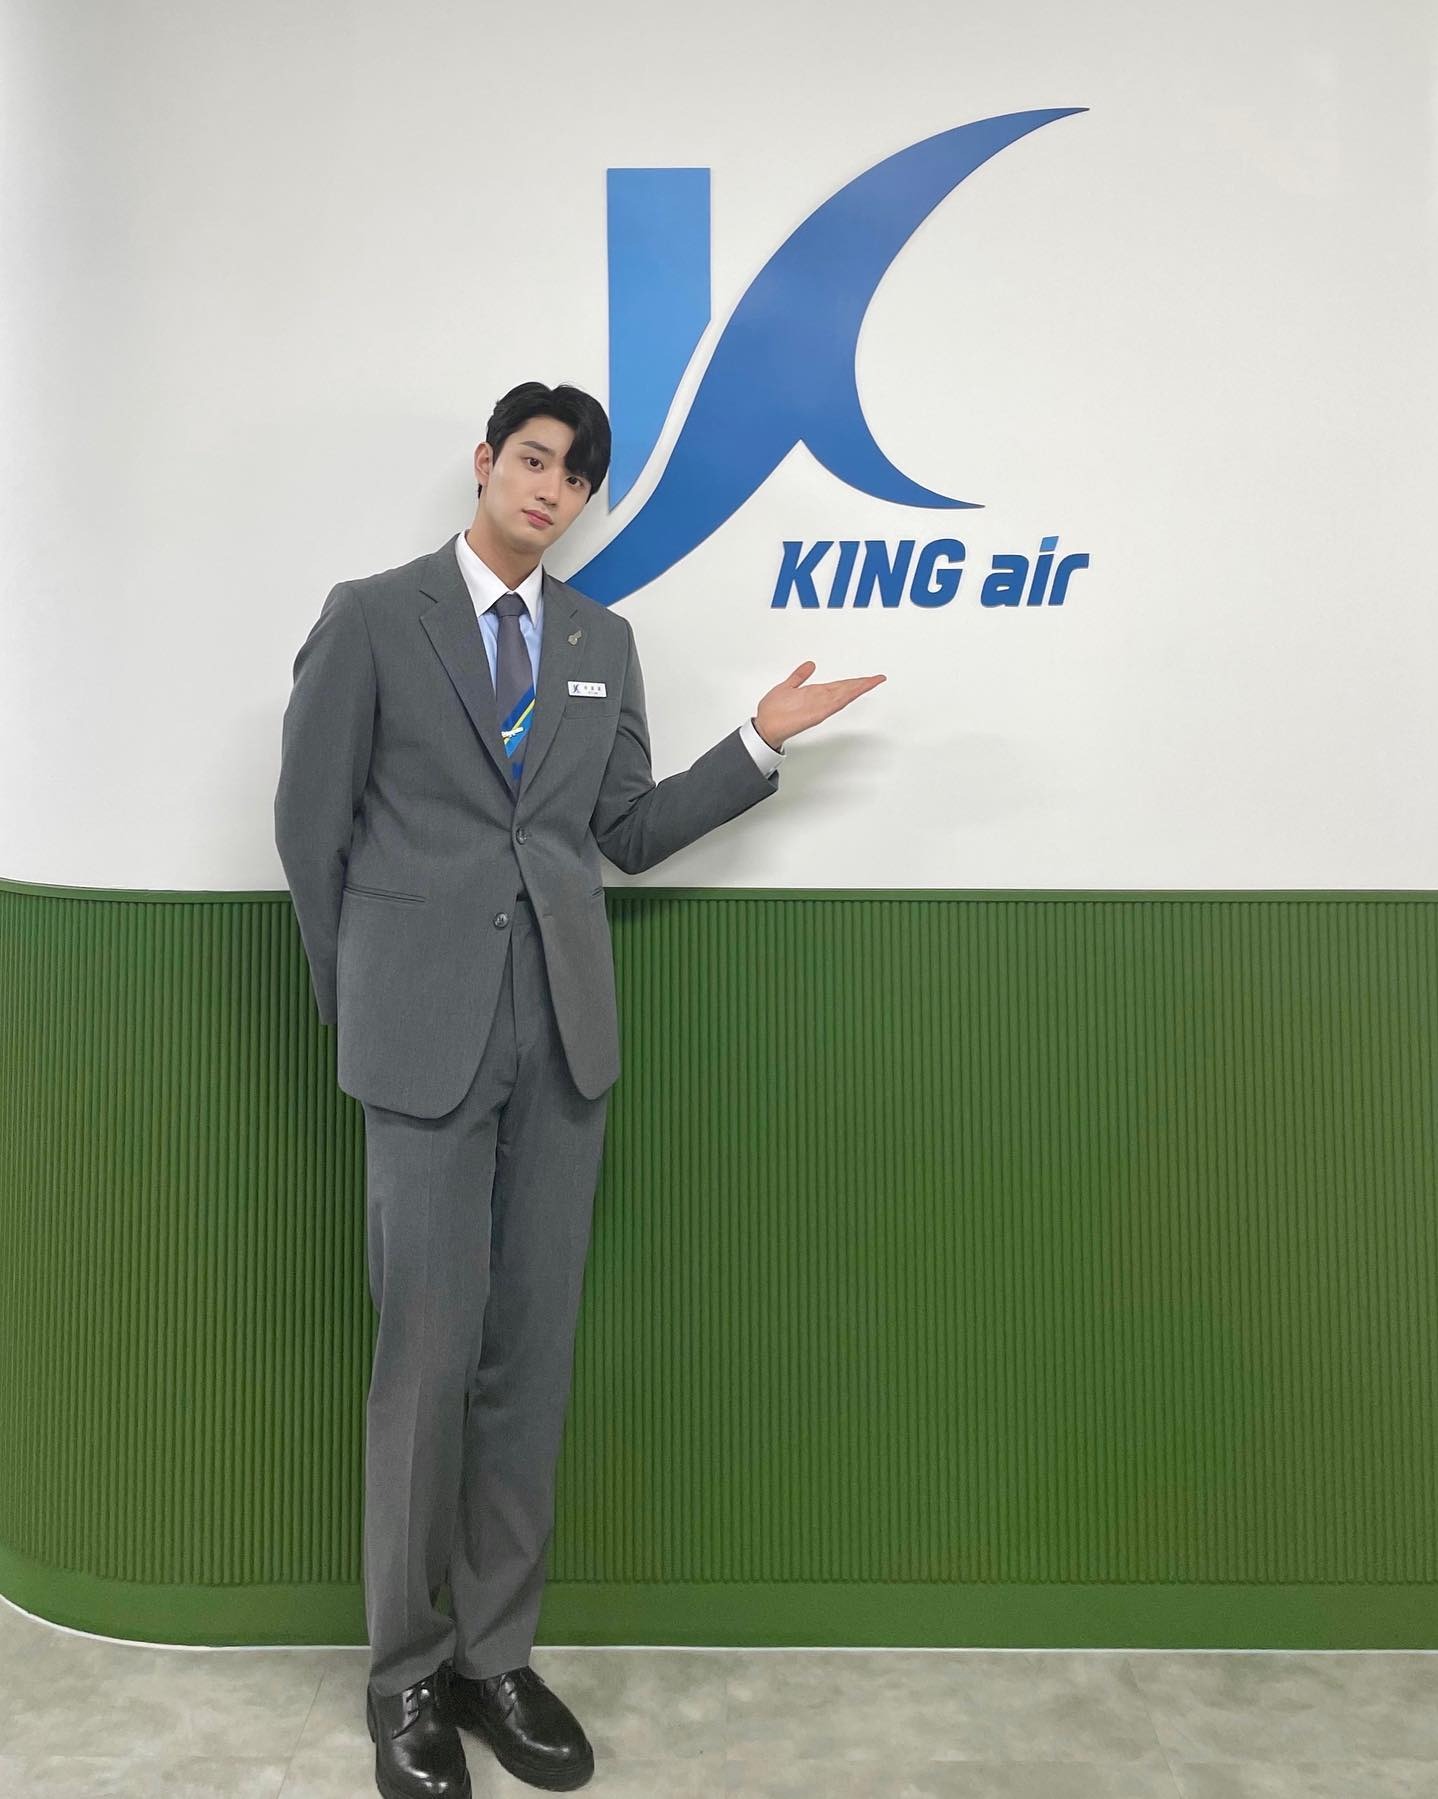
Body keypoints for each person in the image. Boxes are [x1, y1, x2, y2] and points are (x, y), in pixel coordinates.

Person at [273, 379, 884, 1797]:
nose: (551, 489)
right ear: (488, 462)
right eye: (535, 460)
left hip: (563, 1038)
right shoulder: (374, 616)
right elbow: (310, 829)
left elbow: (627, 830)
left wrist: (759, 742)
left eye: (575, 478)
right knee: (426, 1360)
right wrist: (362, 1002)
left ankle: (495, 1656)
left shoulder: (603, 642)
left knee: (527, 1360)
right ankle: (405, 1673)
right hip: (420, 1042)